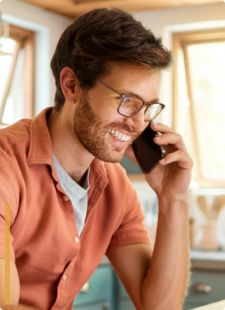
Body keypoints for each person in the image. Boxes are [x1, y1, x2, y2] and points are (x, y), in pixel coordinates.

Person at [0, 8, 193, 310]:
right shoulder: (5, 167)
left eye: (148, 107)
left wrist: (174, 199)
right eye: (127, 101)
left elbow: (160, 307)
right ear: (72, 86)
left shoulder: (115, 187)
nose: (138, 123)